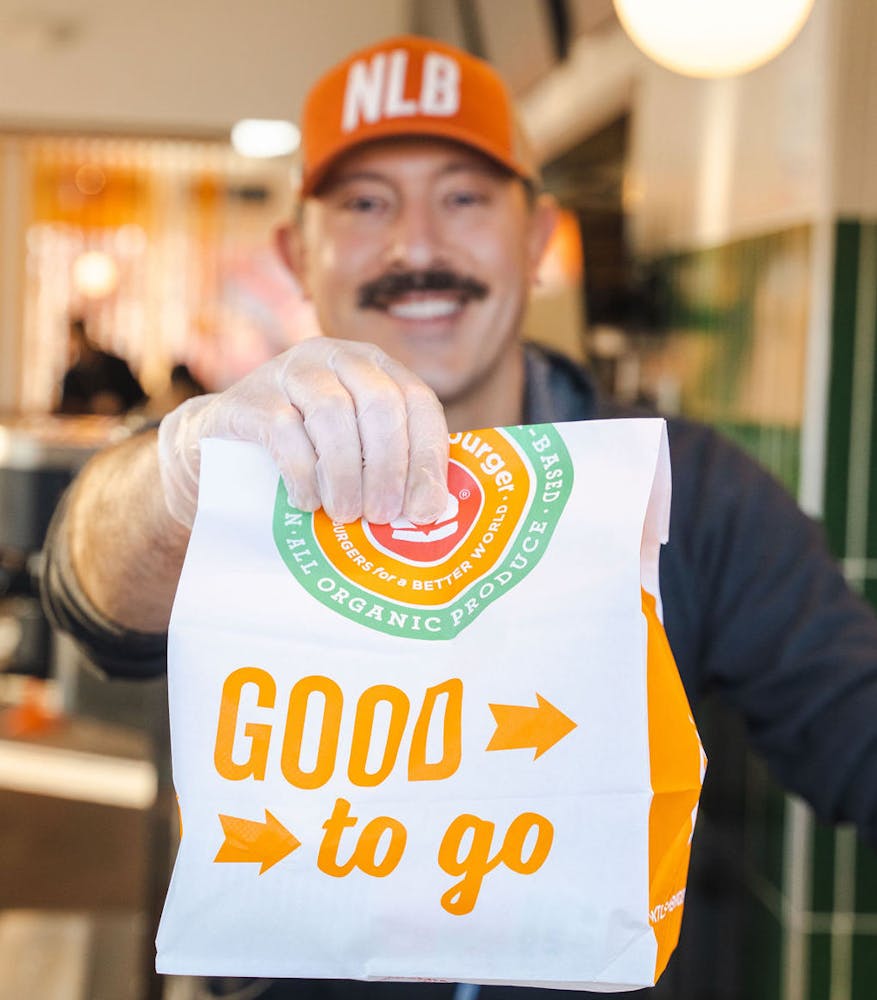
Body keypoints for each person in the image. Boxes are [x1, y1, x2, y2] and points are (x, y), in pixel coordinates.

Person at [40, 34, 877, 1000]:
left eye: (465, 197)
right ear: (295, 251)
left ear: (534, 239)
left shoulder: (687, 488)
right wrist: (184, 473)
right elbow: (87, 593)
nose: (417, 247)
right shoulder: (237, 472)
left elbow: (852, 728)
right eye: (364, 203)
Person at [56, 316, 147, 416]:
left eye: (75, 338)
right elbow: (66, 406)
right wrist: (88, 407)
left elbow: (139, 397)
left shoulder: (116, 365)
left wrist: (118, 403)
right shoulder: (73, 374)